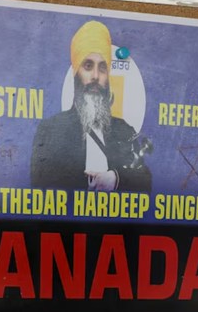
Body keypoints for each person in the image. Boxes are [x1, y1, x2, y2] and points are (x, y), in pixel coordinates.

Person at [31, 20, 151, 193]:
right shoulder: (50, 130)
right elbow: (39, 184)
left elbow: (145, 181)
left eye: (102, 68)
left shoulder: (124, 130)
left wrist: (116, 179)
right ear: (76, 74)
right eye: (88, 66)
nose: (95, 76)